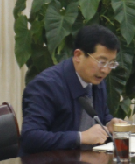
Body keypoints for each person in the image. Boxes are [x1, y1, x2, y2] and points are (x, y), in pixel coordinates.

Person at [20, 24, 120, 153]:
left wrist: (109, 124)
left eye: (111, 64)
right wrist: (80, 137)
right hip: (50, 163)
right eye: (101, 62)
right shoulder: (46, 86)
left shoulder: (96, 80)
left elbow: (100, 115)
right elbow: (31, 137)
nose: (105, 70)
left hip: (86, 161)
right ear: (78, 55)